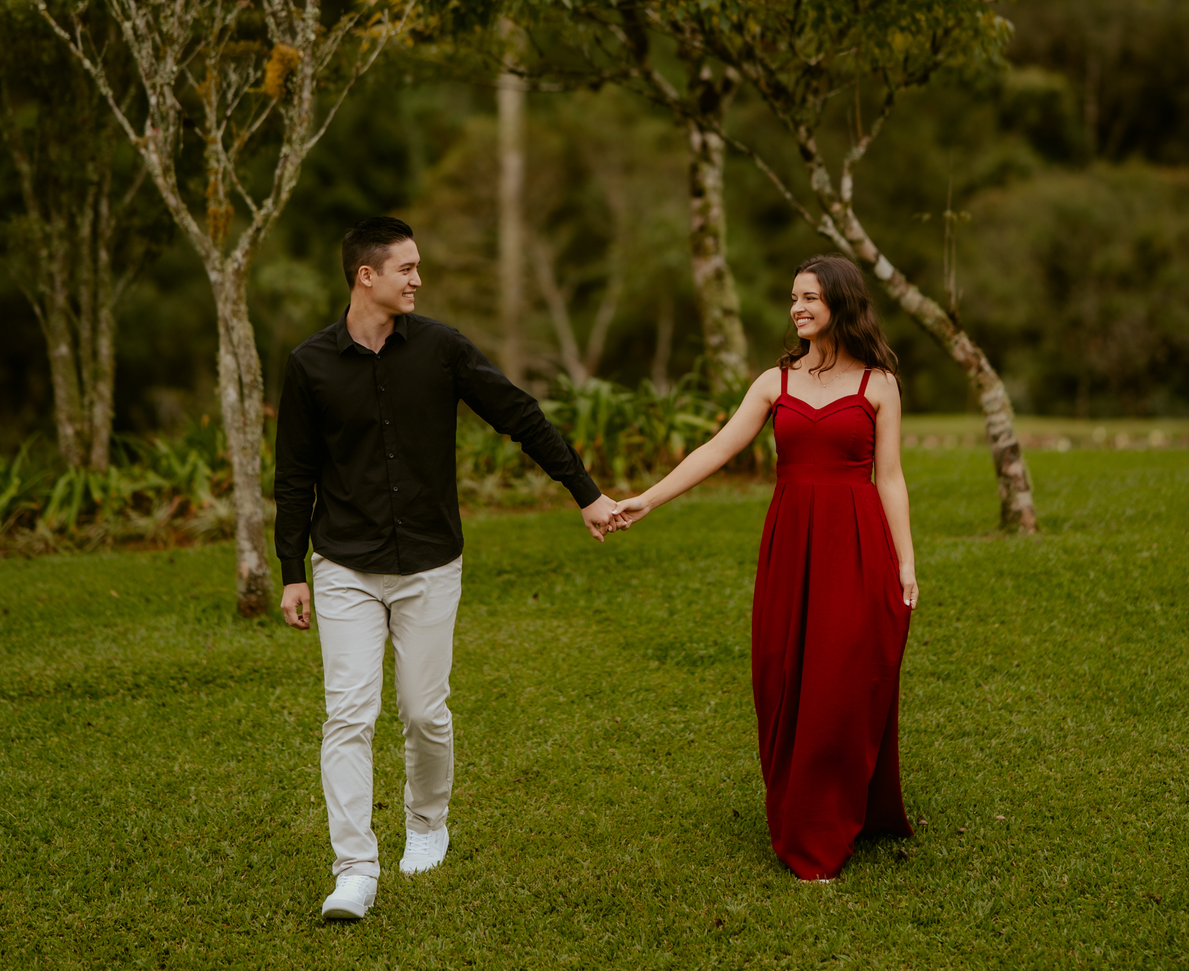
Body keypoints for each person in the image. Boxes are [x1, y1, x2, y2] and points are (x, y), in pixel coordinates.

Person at [274, 216, 620, 922]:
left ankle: (427, 823)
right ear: (366, 275)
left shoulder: (440, 348)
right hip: (344, 563)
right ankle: (354, 871)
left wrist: (585, 493)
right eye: (406, 267)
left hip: (431, 562)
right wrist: (292, 570)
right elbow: (294, 474)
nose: (418, 279)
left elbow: (518, 415)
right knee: (348, 715)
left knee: (423, 713)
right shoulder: (309, 365)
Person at [612, 254, 916, 880]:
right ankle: (802, 809)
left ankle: (827, 826)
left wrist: (906, 563)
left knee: (841, 682)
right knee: (783, 677)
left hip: (857, 544)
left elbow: (890, 478)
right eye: (794, 298)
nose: (798, 308)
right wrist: (648, 498)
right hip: (790, 543)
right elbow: (718, 448)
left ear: (841, 302)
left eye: (811, 297)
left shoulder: (878, 383)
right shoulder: (774, 381)